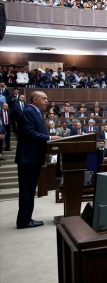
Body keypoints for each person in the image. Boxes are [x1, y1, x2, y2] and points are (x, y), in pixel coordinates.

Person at [15, 91, 61, 229]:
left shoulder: (35, 112)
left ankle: (25, 218)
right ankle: (24, 220)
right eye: (44, 98)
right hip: (28, 157)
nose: (47, 101)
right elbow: (29, 133)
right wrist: (49, 138)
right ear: (35, 100)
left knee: (28, 189)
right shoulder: (29, 112)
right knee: (27, 190)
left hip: (32, 157)